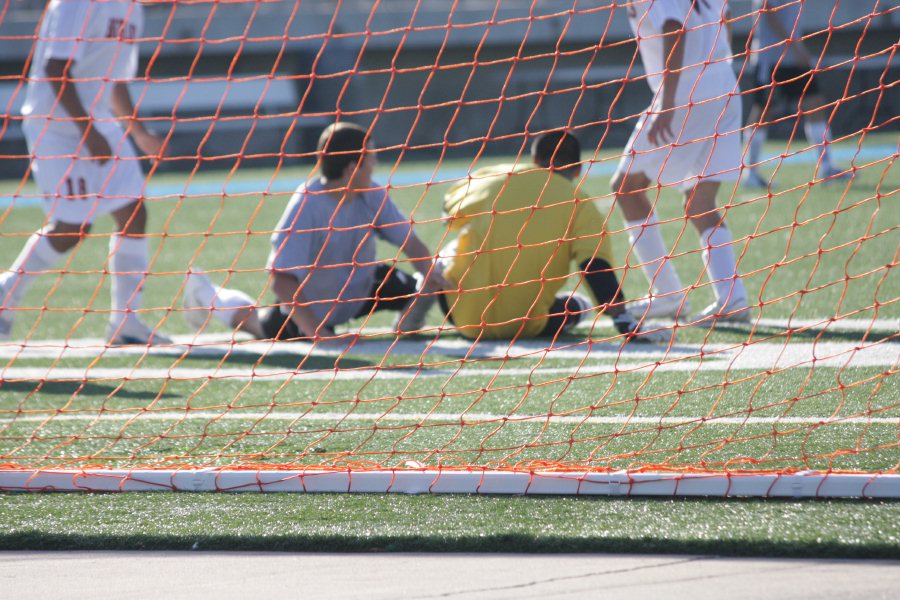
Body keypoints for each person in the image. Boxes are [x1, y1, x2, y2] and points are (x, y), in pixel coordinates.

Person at [0, 0, 169, 345]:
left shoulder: (131, 9)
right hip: (56, 126)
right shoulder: (74, 3)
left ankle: (126, 324)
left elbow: (116, 83)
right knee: (72, 228)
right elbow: (55, 69)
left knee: (133, 210)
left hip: (99, 123)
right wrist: (88, 131)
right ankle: (5, 297)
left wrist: (139, 134)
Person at [182, 121, 449, 340]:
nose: (375, 165)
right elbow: (282, 282)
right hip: (312, 305)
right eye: (370, 159)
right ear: (351, 168)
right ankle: (204, 292)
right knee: (258, 325)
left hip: (364, 286)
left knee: (419, 281)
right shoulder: (307, 205)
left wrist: (431, 275)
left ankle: (410, 315)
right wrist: (319, 334)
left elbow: (410, 243)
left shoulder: (372, 194)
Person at [437, 130, 666, 343]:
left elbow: (447, 214)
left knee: (448, 252)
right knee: (579, 305)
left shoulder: (491, 177)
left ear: (535, 159)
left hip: (464, 319)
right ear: (578, 170)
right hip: (527, 324)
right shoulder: (580, 203)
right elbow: (595, 267)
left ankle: (413, 314)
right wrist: (622, 319)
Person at [611, 0, 750, 323]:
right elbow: (725, 16)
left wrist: (669, 103)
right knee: (699, 201)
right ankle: (732, 296)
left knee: (626, 187)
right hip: (725, 84)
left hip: (687, 92)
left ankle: (667, 293)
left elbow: (675, 28)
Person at [743, 0, 849, 188]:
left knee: (815, 104)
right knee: (763, 113)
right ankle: (750, 174)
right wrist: (793, 45)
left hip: (794, 59)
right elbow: (765, 9)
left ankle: (826, 168)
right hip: (772, 59)